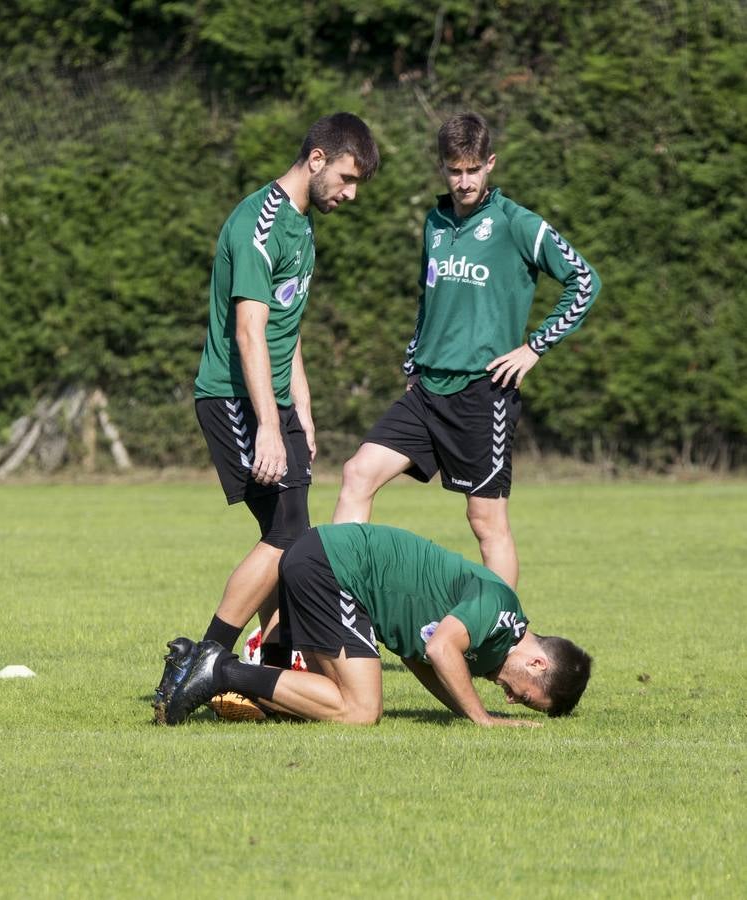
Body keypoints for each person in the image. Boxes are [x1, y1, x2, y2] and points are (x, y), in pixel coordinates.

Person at [154, 114, 380, 707]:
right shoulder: (260, 223)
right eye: (348, 178)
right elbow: (250, 333)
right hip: (235, 399)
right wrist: (270, 427)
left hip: (273, 402)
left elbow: (287, 326)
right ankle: (202, 663)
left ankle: (267, 676)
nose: (351, 194)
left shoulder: (302, 226)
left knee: (296, 541)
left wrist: (301, 406)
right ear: (316, 159)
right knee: (286, 537)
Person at [333, 112, 601, 589]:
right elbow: (427, 294)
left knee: (485, 521)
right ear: (442, 168)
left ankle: (502, 640)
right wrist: (414, 357)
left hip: (484, 393)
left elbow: (584, 281)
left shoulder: (517, 223)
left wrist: (534, 348)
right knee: (357, 473)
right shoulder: (435, 221)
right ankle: (335, 612)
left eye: (472, 169)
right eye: (454, 170)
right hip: (427, 390)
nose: (463, 181)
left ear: (490, 164)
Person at [156, 523, 592, 726]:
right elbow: (440, 649)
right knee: (361, 711)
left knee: (325, 704)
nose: (513, 700)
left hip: (331, 564)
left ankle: (226, 677)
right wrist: (483, 718)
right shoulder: (501, 609)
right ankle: (216, 669)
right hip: (336, 569)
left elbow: (423, 658)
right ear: (537, 664)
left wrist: (465, 708)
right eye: (528, 698)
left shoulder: (492, 646)